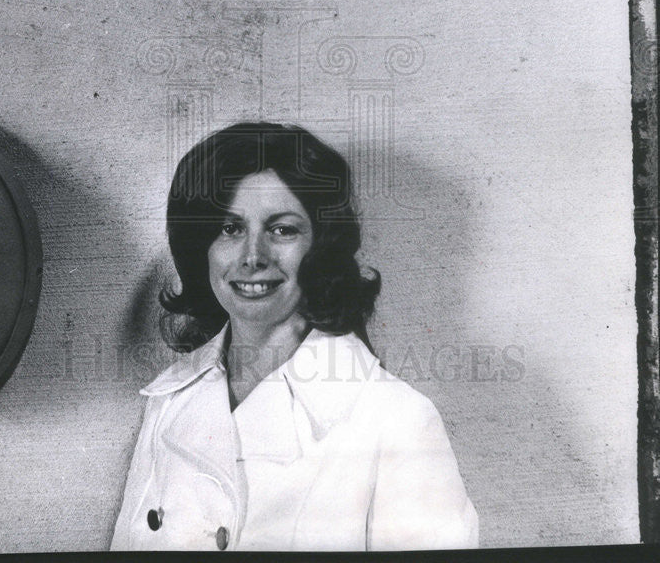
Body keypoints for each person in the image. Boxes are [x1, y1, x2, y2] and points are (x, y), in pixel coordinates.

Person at [110, 122, 478, 551]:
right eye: (229, 228)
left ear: (321, 245)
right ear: (200, 246)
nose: (253, 257)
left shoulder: (397, 420)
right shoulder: (169, 403)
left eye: (282, 229)